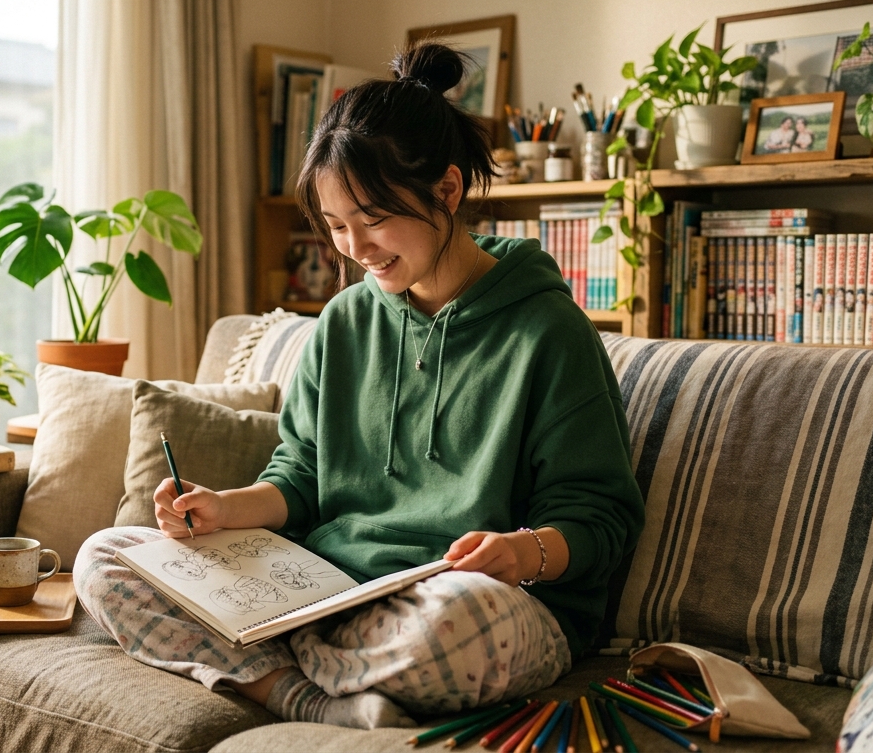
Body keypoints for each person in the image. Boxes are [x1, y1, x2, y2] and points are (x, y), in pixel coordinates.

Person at [73, 42, 645, 730]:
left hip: (458, 603)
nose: (356, 248)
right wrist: (224, 508)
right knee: (106, 557)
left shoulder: (548, 331)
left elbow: (603, 519)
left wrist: (523, 550)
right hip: (329, 588)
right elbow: (300, 478)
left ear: (449, 190)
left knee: (463, 625)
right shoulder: (343, 321)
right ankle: (305, 697)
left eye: (373, 220)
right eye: (337, 226)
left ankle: (270, 661)